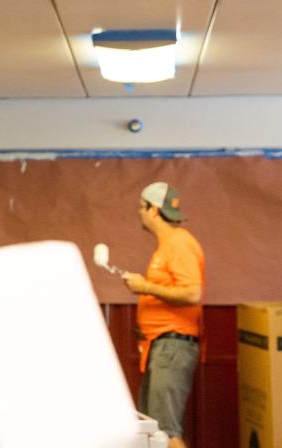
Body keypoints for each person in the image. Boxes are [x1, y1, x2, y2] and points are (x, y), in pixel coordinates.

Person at [122, 182, 205, 448]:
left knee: (164, 431)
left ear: (154, 210)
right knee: (154, 427)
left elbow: (192, 293)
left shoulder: (178, 244)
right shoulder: (169, 245)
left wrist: (144, 287)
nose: (139, 213)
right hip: (162, 344)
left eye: (141, 208)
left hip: (173, 345)